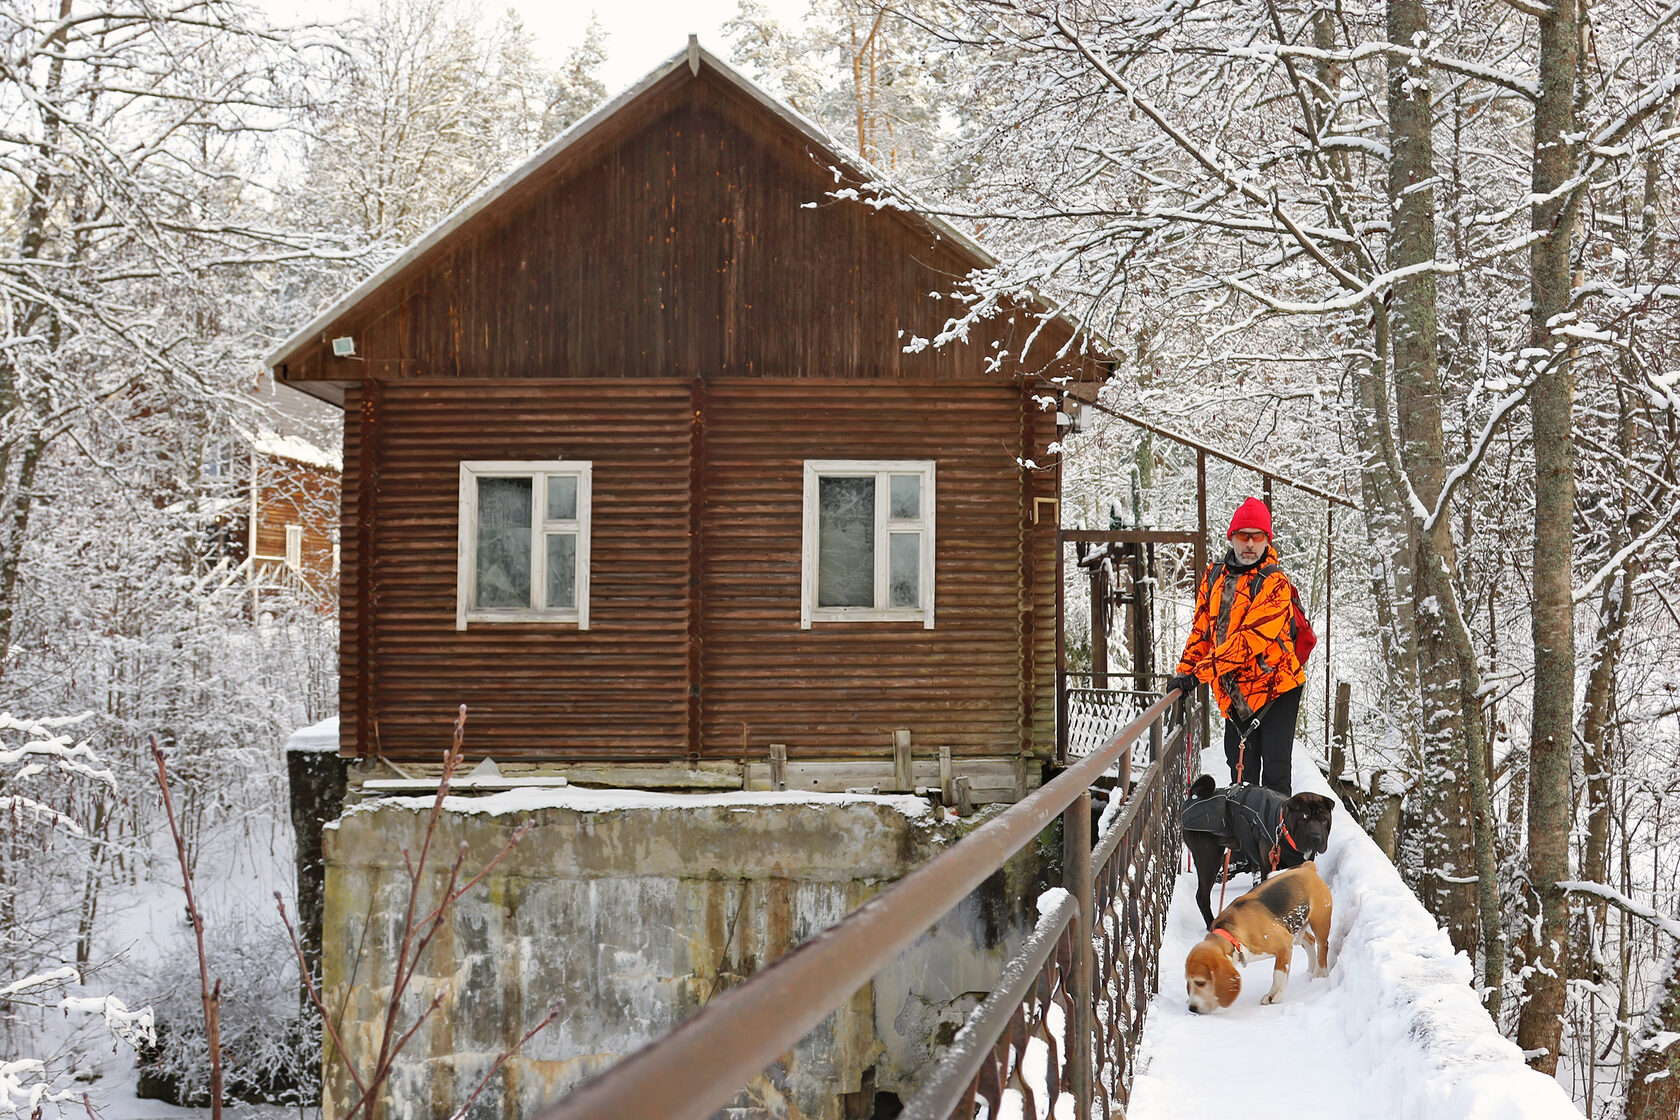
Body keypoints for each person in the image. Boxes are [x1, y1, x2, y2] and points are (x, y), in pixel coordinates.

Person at [1165, 498, 1306, 795]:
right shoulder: (1214, 576)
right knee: (1241, 774)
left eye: (1258, 536)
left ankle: (1275, 840)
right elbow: (1201, 631)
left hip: (1276, 690)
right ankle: (1245, 841)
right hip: (1235, 695)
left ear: (1268, 540)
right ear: (1231, 538)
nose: (1250, 544)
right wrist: (1184, 673)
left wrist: (1199, 675)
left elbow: (1248, 641)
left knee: (1276, 774)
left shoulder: (1275, 583)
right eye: (1243, 536)